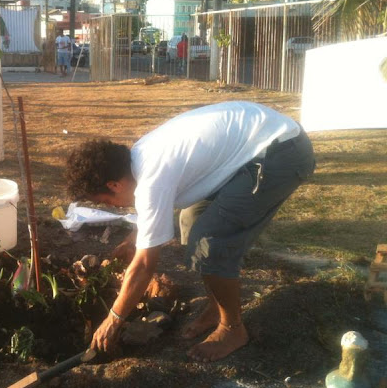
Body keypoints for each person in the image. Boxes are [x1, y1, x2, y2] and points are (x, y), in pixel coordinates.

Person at [66, 101, 315, 362]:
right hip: (256, 144)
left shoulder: (151, 180)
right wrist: (135, 238)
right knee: (192, 218)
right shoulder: (139, 157)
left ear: (114, 184)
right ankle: (217, 306)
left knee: (209, 242)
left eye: (106, 202)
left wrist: (114, 319)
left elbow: (143, 267)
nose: (113, 207)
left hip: (282, 151)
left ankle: (233, 329)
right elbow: (155, 204)